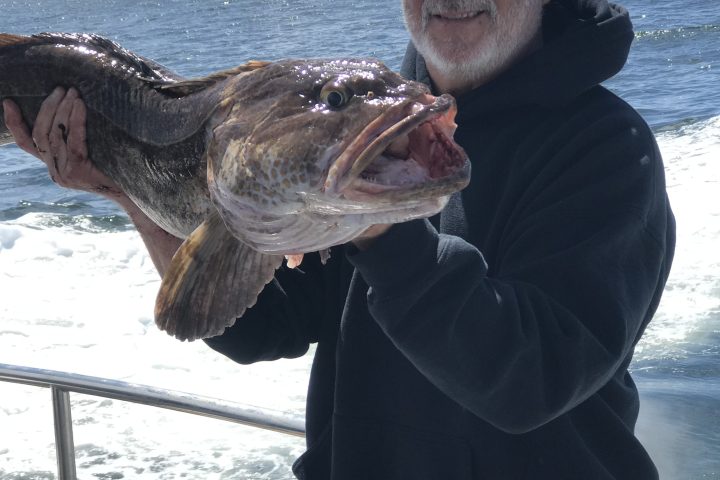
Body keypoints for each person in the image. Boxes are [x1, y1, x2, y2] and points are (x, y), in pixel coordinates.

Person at [3, 0, 675, 478]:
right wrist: (128, 190)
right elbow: (263, 326)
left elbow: (529, 382)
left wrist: (379, 226)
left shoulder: (607, 149)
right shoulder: (355, 126)